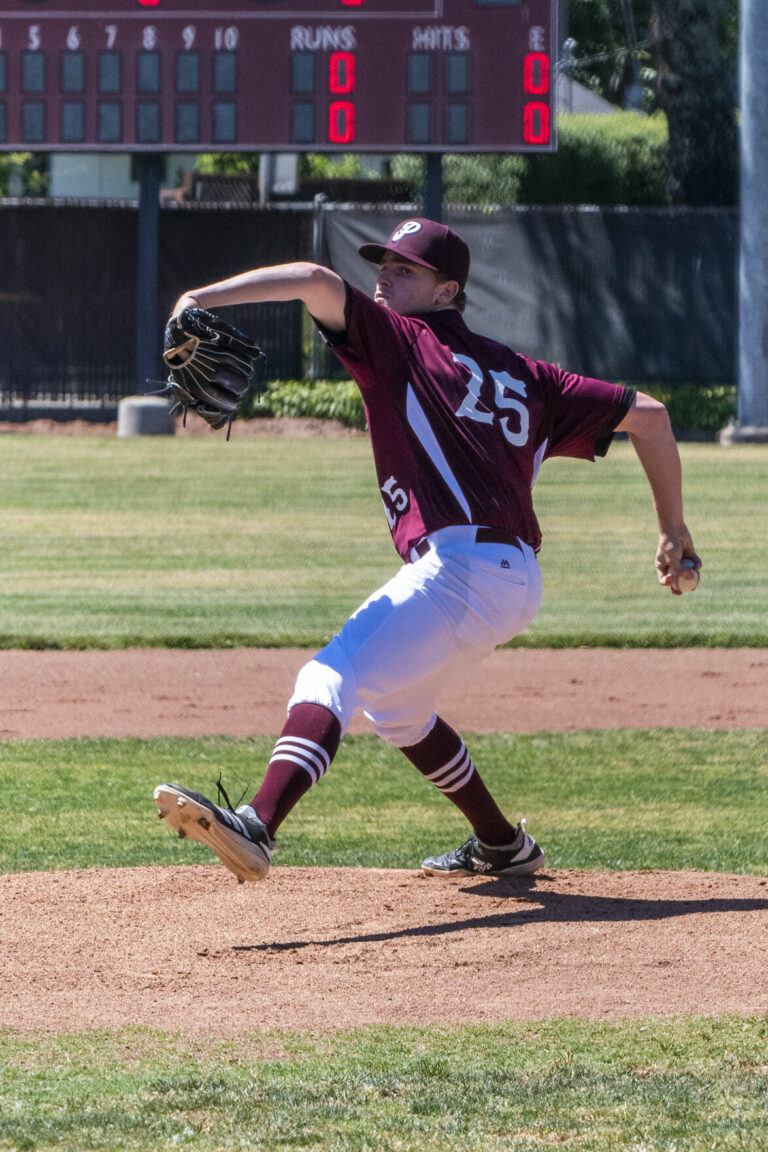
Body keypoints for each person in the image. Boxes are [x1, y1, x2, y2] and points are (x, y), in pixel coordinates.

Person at [154, 217, 701, 882]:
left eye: (404, 270)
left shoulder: (402, 341)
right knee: (399, 710)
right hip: (514, 579)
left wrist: (197, 300)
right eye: (383, 264)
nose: (384, 278)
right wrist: (673, 528)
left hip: (462, 568)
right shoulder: (528, 376)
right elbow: (650, 415)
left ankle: (258, 824)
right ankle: (503, 844)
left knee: (329, 676)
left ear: (447, 293)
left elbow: (314, 280)